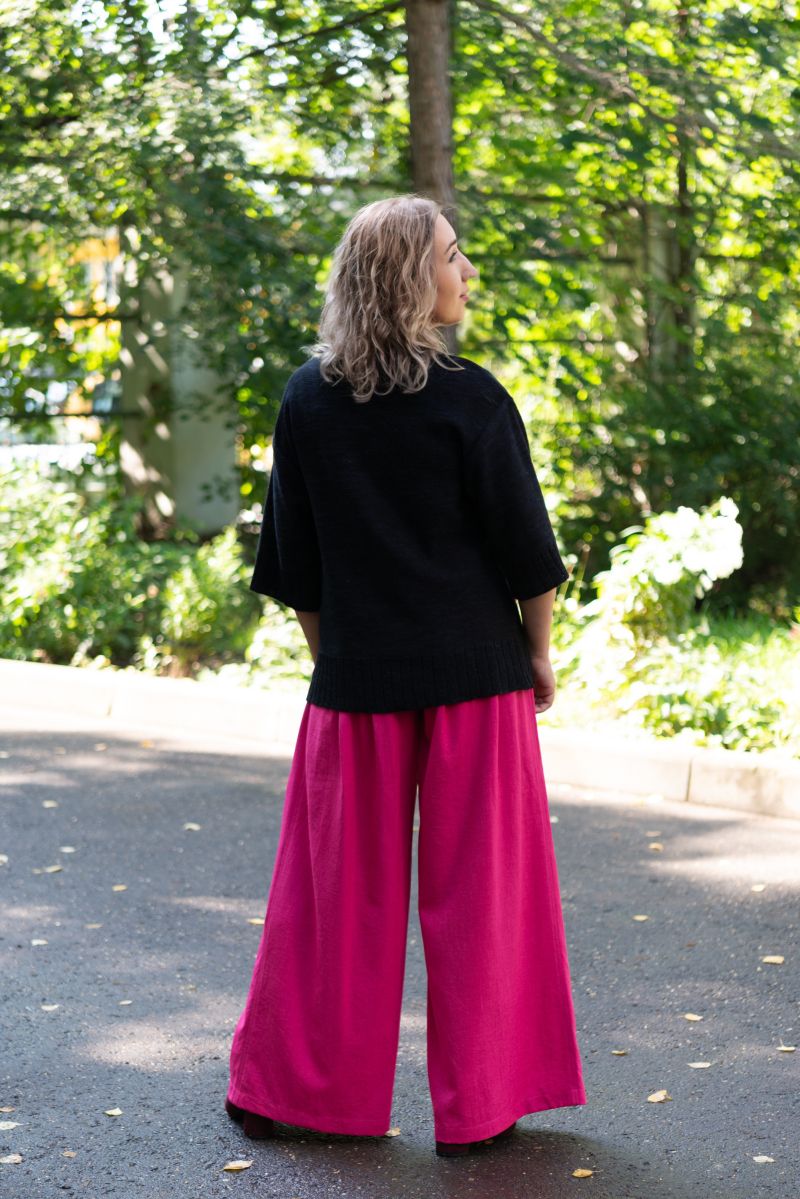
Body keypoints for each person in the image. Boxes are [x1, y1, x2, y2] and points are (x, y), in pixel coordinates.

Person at [225, 194, 587, 1158]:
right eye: (453, 256)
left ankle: (301, 1091)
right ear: (406, 278)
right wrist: (539, 653)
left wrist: (341, 659)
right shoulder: (474, 397)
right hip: (480, 681)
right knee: (487, 898)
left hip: (357, 685)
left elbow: (295, 568)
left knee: (334, 902)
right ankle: (485, 1104)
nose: (467, 273)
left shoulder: (307, 400)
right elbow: (529, 554)